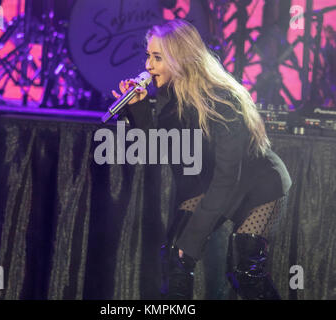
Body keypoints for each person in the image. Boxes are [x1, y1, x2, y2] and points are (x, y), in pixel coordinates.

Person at [112, 19, 292, 300]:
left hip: (258, 186)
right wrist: (137, 109)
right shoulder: (173, 97)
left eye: (158, 58)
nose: (148, 66)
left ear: (180, 59)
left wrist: (193, 241)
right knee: (175, 255)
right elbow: (158, 150)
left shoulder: (222, 100)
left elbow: (227, 178)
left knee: (245, 271)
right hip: (215, 182)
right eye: (148, 55)